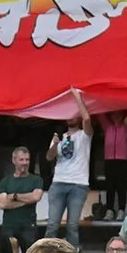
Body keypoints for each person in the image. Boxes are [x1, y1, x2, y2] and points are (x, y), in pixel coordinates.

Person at [45, 92, 93, 244]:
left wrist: (77, 97)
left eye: (74, 114)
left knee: (72, 225)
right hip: (58, 182)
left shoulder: (84, 136)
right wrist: (55, 143)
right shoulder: (59, 136)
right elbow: (49, 157)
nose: (70, 117)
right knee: (52, 224)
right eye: (68, 114)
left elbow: (87, 118)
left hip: (78, 184)